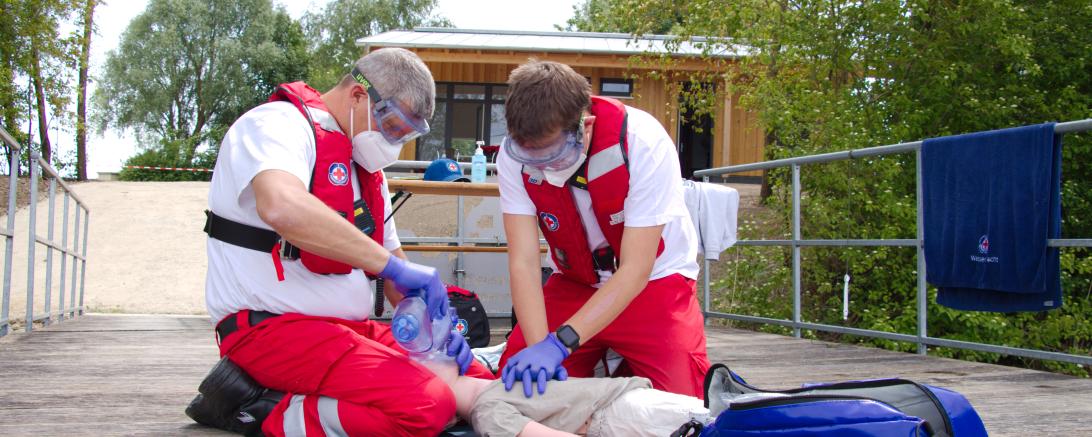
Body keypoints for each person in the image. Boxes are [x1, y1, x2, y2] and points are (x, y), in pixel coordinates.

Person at [192, 48, 493, 437]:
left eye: (406, 135)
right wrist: (390, 266)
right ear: (358, 95)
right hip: (271, 329)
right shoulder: (275, 125)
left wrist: (438, 333)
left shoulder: (366, 172)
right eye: (392, 126)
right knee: (428, 405)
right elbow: (281, 205)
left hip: (349, 330)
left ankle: (328, 402)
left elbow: (399, 283)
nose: (393, 142)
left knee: (478, 378)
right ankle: (263, 410)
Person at [496, 60, 711, 399]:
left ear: (585, 127)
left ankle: (625, 369)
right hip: (574, 283)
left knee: (682, 407)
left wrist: (560, 343)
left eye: (553, 154)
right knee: (518, 390)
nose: (544, 168)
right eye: (531, 157)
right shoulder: (514, 156)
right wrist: (540, 349)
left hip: (653, 284)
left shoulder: (643, 142)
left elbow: (636, 269)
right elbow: (523, 261)